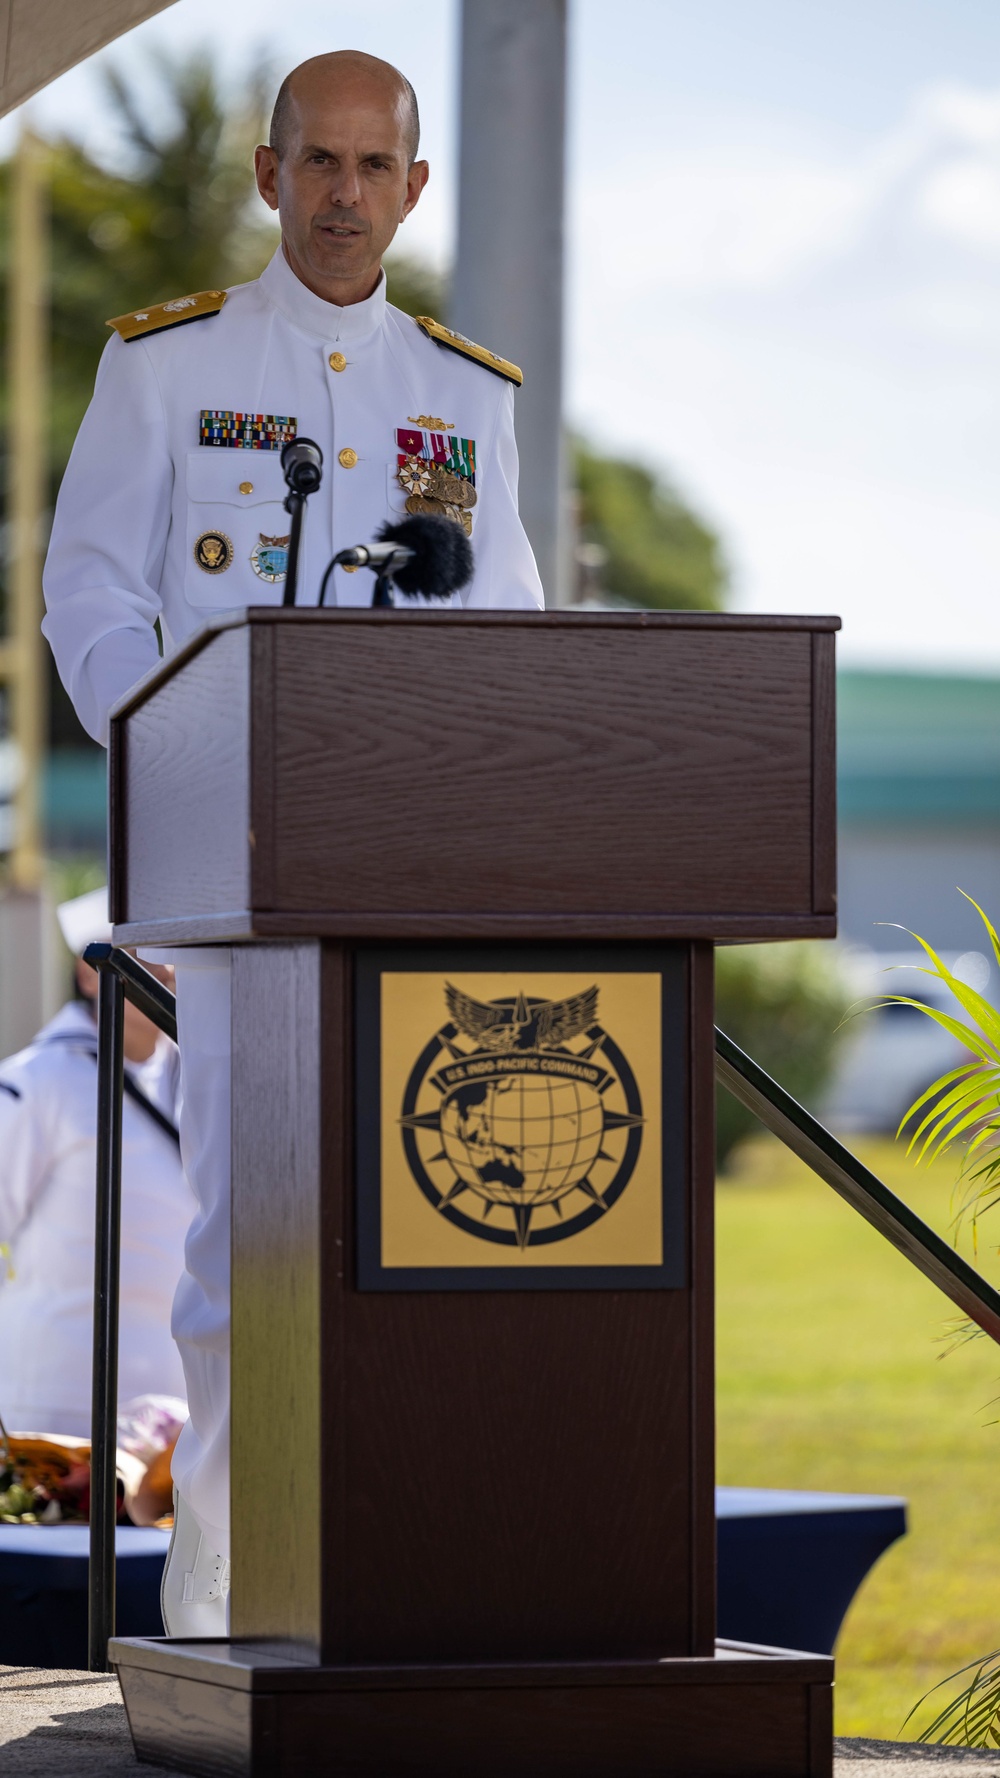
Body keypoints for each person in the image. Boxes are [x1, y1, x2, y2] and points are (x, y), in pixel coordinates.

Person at [41, 49, 544, 1634]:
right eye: (314, 164)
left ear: (414, 187)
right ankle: (223, 1625)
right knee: (248, 1263)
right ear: (267, 178)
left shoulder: (468, 395)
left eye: (371, 167)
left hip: (420, 899)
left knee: (424, 1259)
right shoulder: (167, 366)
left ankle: (402, 1606)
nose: (342, 196)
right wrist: (193, 754)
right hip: (241, 889)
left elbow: (512, 627)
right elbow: (91, 594)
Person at [0, 886, 192, 1438]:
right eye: (148, 955)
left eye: (175, 953)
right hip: (55, 1405)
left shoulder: (199, 1079)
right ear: (91, 973)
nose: (169, 971)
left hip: (175, 1410)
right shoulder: (38, 1081)